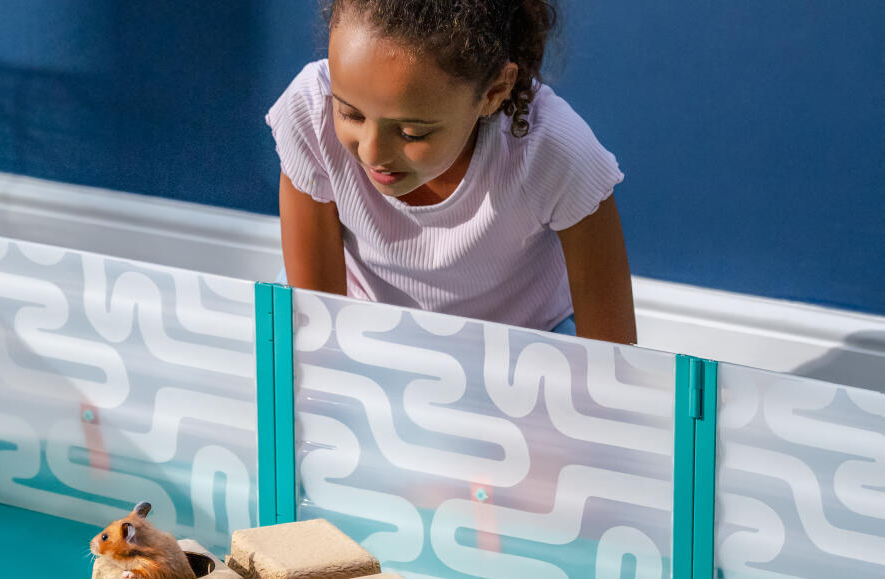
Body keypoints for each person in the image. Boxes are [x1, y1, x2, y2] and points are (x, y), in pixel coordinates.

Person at [268, 0, 636, 342]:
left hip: (523, 339)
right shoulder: (311, 114)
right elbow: (317, 325)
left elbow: (610, 362)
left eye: (413, 132)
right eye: (350, 113)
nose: (371, 152)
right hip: (360, 319)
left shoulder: (555, 152)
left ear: (494, 92)